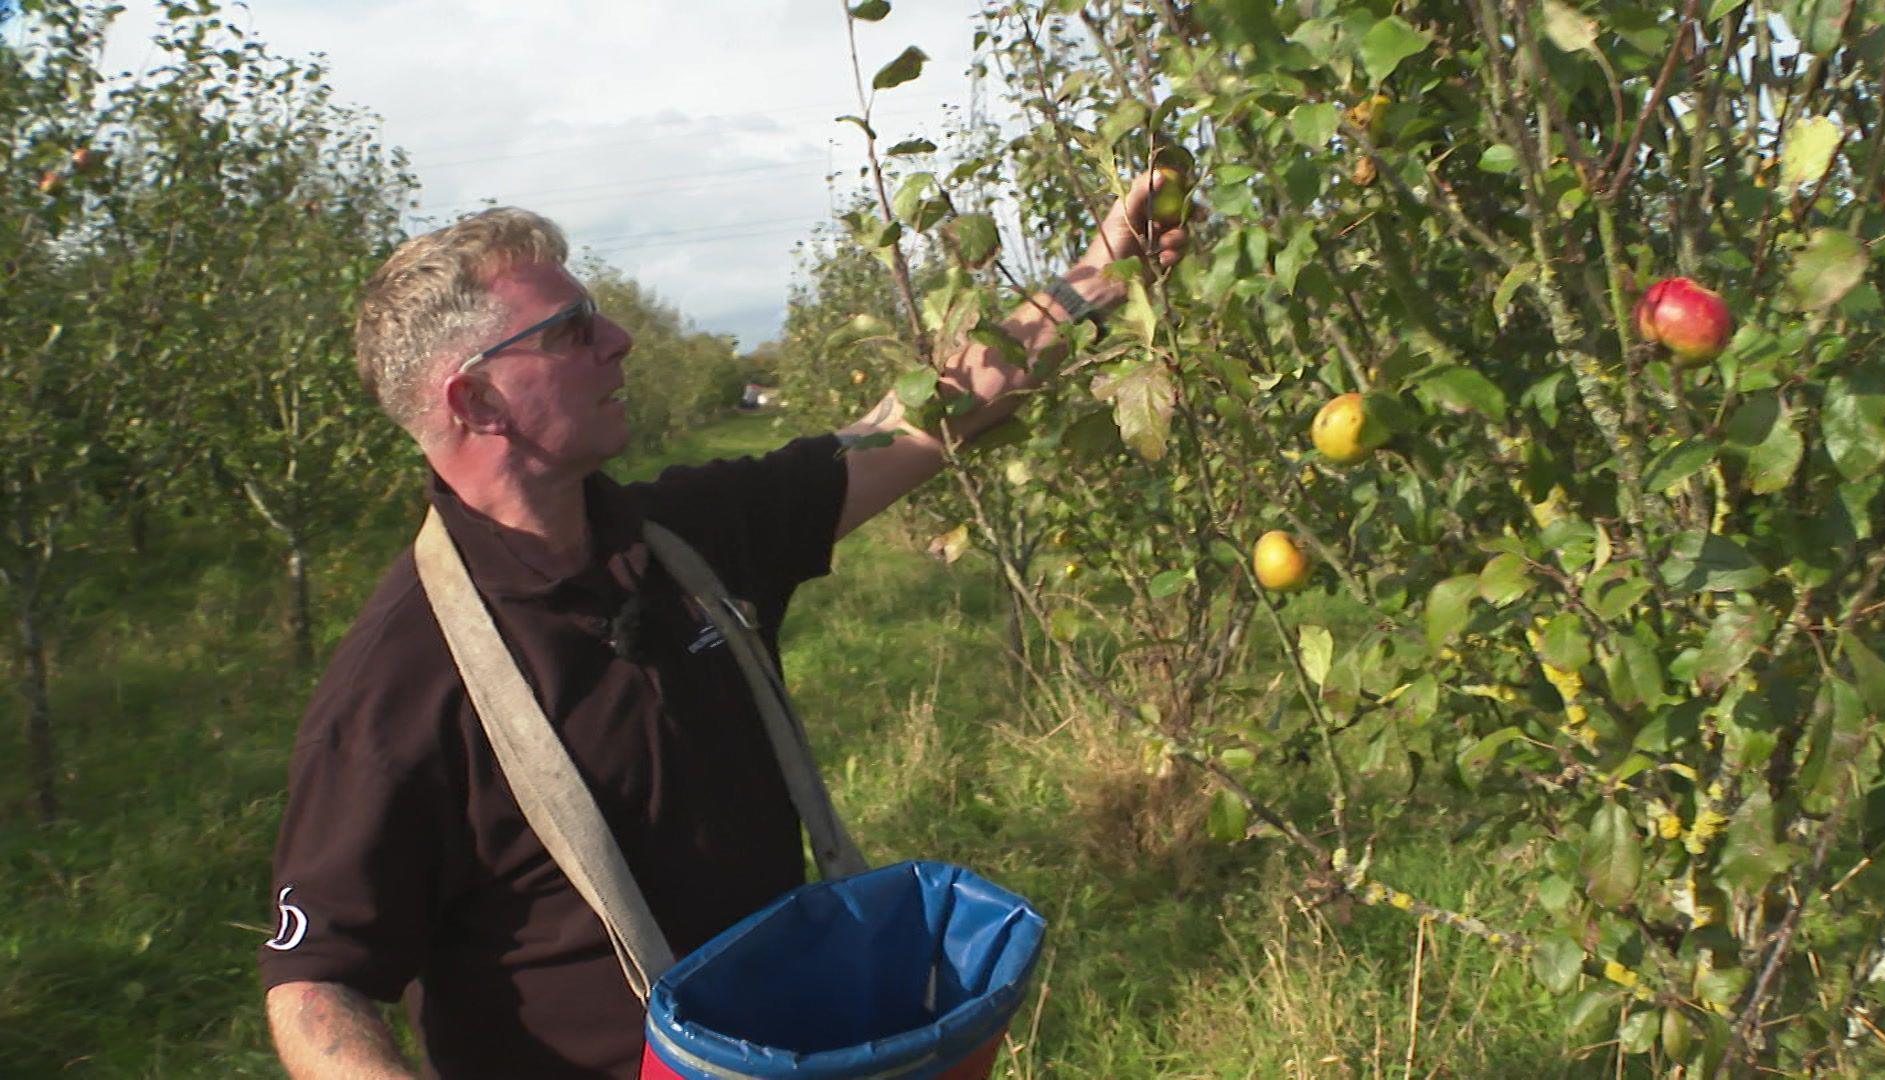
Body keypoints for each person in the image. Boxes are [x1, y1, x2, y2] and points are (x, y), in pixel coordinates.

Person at [258, 172, 1193, 1079]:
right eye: (573, 330)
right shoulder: (398, 688)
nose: (619, 340)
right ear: (477, 401)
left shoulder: (689, 537)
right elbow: (316, 988)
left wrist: (1096, 278)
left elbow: (919, 421)